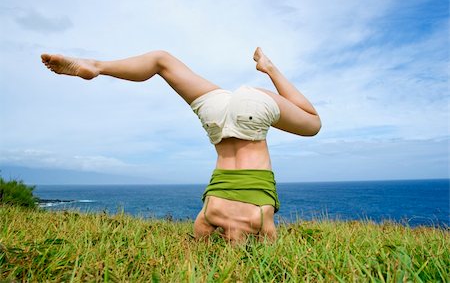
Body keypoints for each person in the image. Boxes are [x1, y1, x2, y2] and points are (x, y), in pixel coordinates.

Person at [41, 47, 321, 242]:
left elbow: (269, 252)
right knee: (163, 61)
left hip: (244, 109)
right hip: (220, 118)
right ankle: (96, 66)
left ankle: (96, 66)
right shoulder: (207, 216)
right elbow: (196, 246)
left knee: (162, 60)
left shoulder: (259, 223)